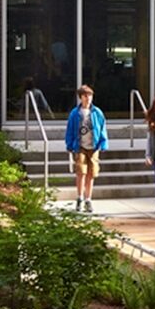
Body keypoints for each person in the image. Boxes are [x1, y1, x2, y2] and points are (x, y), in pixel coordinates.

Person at [63, 85, 108, 213]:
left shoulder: (97, 112)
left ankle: (88, 198)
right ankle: (80, 197)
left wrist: (103, 142)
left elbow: (102, 127)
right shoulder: (75, 113)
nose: (88, 98)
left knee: (91, 173)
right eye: (85, 96)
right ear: (80, 97)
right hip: (80, 146)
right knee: (81, 172)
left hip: (93, 147)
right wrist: (69, 144)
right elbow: (70, 130)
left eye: (90, 96)